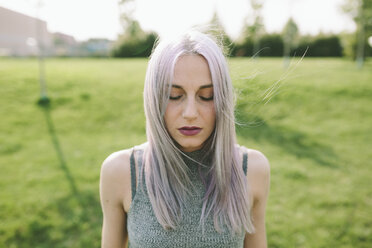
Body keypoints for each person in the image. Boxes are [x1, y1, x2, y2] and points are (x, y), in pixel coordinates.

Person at [100, 31, 270, 248]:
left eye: (206, 96)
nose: (190, 112)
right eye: (174, 95)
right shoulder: (121, 171)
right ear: (154, 98)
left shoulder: (252, 169)